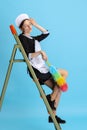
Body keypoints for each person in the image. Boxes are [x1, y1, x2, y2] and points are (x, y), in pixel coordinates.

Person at [15, 13, 68, 124]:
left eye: (30, 25)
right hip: (37, 70)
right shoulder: (22, 38)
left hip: (43, 68)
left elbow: (46, 33)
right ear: (21, 28)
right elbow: (28, 55)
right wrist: (40, 52)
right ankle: (51, 98)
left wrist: (36, 24)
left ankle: (52, 115)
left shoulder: (33, 38)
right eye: (26, 26)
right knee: (62, 75)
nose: (29, 27)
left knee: (58, 89)